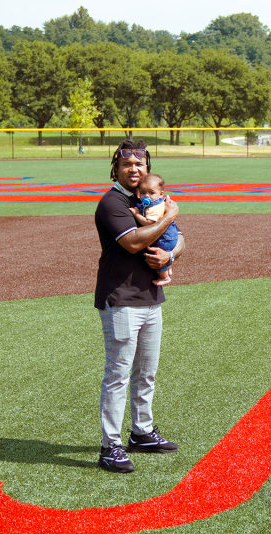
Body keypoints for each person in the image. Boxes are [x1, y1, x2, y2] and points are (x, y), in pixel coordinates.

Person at [93, 139, 183, 473]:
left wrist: (171, 254)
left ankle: (142, 431)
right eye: (127, 164)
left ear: (148, 168)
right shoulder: (112, 203)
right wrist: (170, 215)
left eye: (140, 164)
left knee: (146, 372)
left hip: (150, 297)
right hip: (121, 301)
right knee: (118, 374)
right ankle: (110, 445)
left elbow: (179, 237)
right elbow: (133, 243)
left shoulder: (149, 198)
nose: (134, 169)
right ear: (116, 166)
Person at [130, 173, 181, 287]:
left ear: (161, 194)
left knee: (157, 253)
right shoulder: (154, 202)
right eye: (143, 193)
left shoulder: (156, 207)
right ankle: (168, 268)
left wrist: (137, 214)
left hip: (165, 238)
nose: (147, 196)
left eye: (151, 193)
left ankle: (164, 277)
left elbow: (149, 223)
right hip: (169, 235)